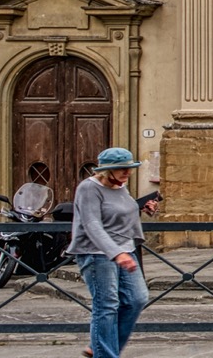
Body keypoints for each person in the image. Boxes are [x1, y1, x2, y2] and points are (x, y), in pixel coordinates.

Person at [68, 147, 147, 358]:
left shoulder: (120, 187)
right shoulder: (88, 189)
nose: (127, 173)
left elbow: (119, 211)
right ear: (106, 171)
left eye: (129, 168)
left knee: (137, 299)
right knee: (107, 305)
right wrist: (116, 253)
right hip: (96, 253)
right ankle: (104, 353)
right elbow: (92, 223)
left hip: (124, 249)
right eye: (122, 169)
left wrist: (143, 207)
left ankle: (99, 346)